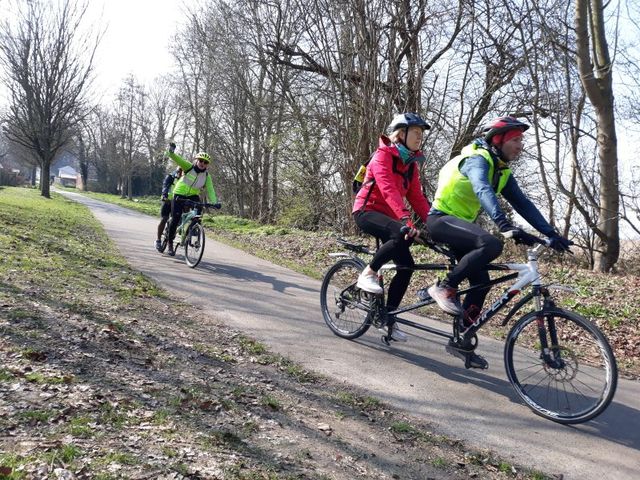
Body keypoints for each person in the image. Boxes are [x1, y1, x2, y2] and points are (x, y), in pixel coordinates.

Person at [426, 116, 572, 368]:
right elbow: (482, 188)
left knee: (481, 283)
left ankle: (461, 339)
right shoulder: (477, 160)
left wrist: (551, 234)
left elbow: (523, 203)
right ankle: (445, 287)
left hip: (464, 228)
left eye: (521, 140)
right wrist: (504, 225)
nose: (520, 145)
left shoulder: (502, 171)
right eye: (515, 139)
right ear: (498, 140)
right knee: (492, 244)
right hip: (441, 221)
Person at [352, 112, 432, 342]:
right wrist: (406, 221)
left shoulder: (410, 165)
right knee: (399, 233)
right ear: (401, 133)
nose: (419, 138)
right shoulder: (382, 156)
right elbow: (387, 190)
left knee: (407, 266)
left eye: (421, 134)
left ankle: (387, 318)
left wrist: (435, 224)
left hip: (391, 218)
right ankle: (367, 274)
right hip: (367, 212)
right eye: (416, 133)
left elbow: (417, 198)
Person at [165, 143, 220, 256]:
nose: (202, 163)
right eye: (201, 161)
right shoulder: (188, 167)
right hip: (179, 194)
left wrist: (215, 203)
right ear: (196, 161)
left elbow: (210, 190)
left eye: (205, 162)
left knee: (198, 215)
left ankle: (192, 236)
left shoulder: (206, 176)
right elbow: (177, 159)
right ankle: (170, 243)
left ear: (207, 165)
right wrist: (171, 152)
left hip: (193, 195)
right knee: (175, 218)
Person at [155, 167, 183, 251]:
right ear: (177, 171)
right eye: (180, 172)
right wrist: (164, 195)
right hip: (167, 200)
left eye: (183, 172)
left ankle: (170, 241)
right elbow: (165, 187)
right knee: (164, 219)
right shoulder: (170, 177)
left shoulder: (185, 180)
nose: (181, 174)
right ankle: (158, 240)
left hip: (177, 202)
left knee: (176, 222)